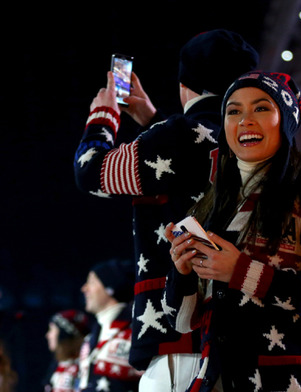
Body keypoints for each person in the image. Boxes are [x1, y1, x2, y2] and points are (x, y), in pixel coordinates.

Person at [72, 29, 259, 391]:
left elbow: (91, 172)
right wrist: (152, 119)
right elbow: (193, 163)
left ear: (184, 83)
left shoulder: (176, 138)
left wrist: (103, 115)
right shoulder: (256, 137)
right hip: (249, 340)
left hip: (182, 344)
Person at [162, 70, 301, 391]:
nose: (245, 120)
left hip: (287, 379)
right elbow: (181, 322)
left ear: (286, 121)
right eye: (233, 111)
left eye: (261, 108)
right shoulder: (208, 207)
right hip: (217, 377)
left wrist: (241, 271)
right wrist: (181, 271)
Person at [78, 259, 142, 391]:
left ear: (110, 288)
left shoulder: (136, 330)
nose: (84, 288)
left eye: (92, 282)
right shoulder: (91, 336)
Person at [43, 310, 90, 392]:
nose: (47, 335)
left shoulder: (81, 367)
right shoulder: (58, 365)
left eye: (51, 330)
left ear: (63, 334)